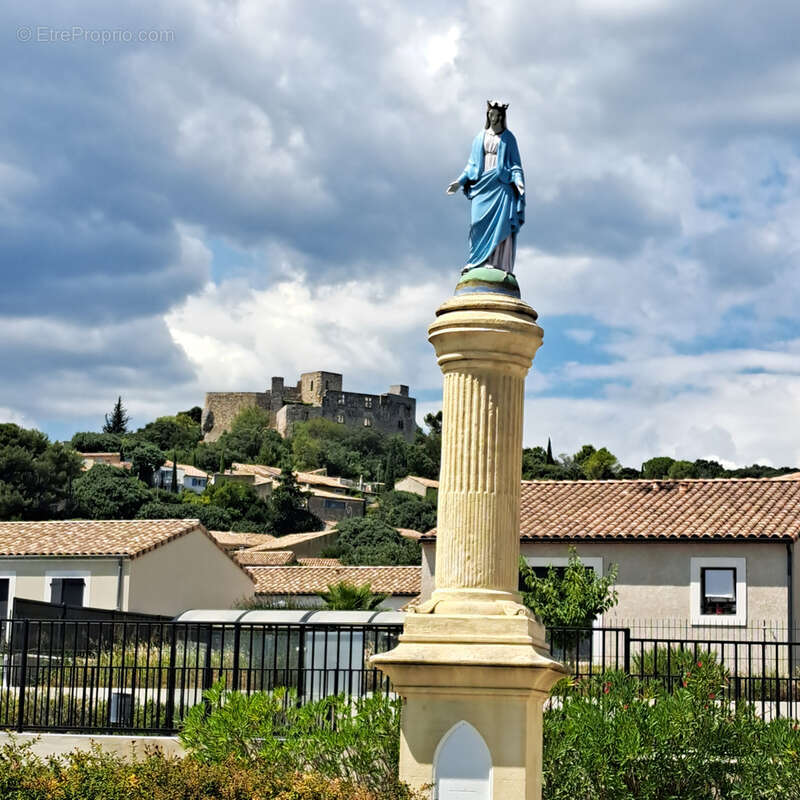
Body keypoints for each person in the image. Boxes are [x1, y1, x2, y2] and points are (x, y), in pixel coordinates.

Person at [447, 101, 525, 275]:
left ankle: (496, 262)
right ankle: (476, 261)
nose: (495, 118)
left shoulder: (509, 138)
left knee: (500, 224)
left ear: (502, 117)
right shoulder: (480, 137)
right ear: (488, 115)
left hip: (501, 186)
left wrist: (518, 182)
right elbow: (472, 165)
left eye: (498, 115)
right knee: (477, 223)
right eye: (492, 115)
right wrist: (459, 182)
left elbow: (515, 165)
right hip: (482, 185)